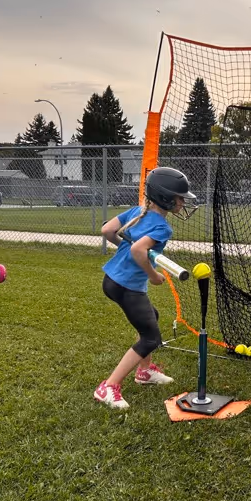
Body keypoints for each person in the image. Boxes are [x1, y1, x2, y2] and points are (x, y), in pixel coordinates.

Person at [94, 167, 198, 409]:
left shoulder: (137, 212)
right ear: (165, 198)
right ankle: (108, 387)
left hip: (112, 280)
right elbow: (137, 250)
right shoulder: (163, 227)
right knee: (151, 338)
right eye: (180, 197)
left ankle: (144, 372)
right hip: (128, 286)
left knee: (152, 316)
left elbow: (107, 230)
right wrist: (152, 275)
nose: (183, 202)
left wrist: (123, 244)